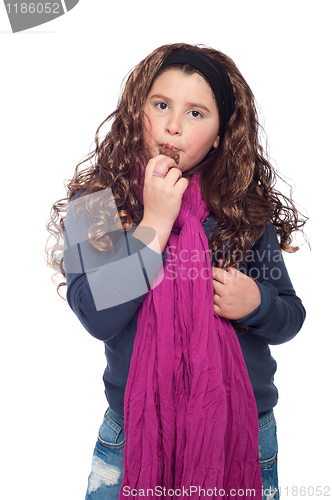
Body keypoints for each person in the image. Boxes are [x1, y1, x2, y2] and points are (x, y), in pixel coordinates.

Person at [46, 43, 306, 500]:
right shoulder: (97, 205)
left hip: (240, 430)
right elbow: (97, 314)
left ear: (221, 135)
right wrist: (155, 223)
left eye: (196, 114)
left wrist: (257, 303)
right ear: (136, 110)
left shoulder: (242, 209)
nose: (172, 126)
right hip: (136, 430)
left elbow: (290, 315)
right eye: (161, 105)